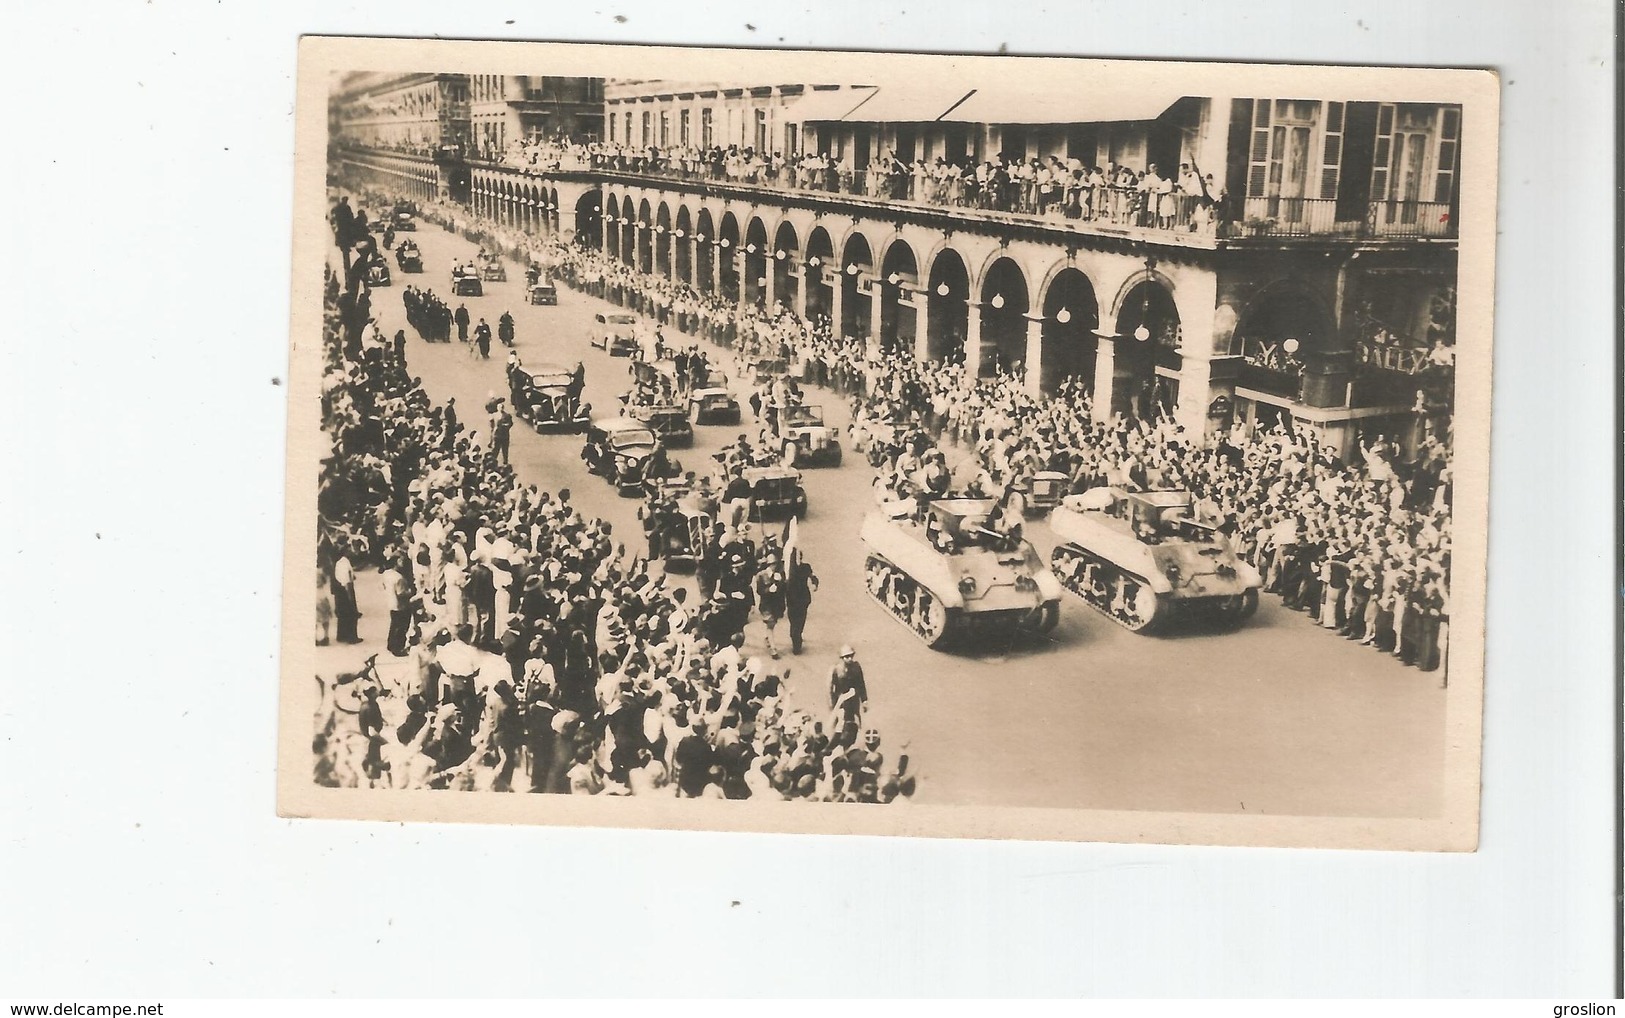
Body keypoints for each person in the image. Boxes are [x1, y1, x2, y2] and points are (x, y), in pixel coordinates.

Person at [785, 556, 819, 655]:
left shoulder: (805, 567)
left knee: (799, 622)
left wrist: (815, 584)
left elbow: (813, 577)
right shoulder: (787, 568)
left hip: (803, 599)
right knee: (793, 622)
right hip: (791, 600)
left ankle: (797, 643)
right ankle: (796, 638)